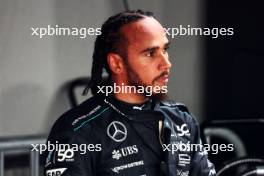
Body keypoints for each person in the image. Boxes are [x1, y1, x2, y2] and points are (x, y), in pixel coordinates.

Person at [44, 10, 216, 176]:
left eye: (165, 50)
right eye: (150, 53)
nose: (166, 64)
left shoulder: (181, 119)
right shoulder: (78, 131)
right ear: (116, 64)